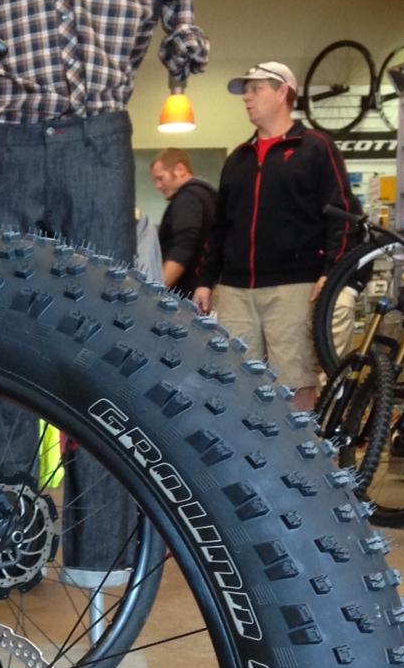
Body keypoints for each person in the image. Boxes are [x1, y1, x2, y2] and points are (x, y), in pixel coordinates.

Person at [193, 61, 357, 411]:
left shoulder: (315, 147)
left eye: (256, 89)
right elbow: (221, 225)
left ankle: (296, 463)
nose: (247, 98)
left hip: (294, 286)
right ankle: (248, 462)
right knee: (237, 382)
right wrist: (205, 280)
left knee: (294, 380)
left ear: (283, 92)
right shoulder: (239, 158)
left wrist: (333, 271)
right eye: (245, 91)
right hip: (236, 290)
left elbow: (341, 212)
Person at [151, 147, 216, 296]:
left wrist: (155, 291)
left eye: (160, 178)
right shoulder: (206, 196)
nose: (158, 186)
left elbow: (183, 247)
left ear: (180, 169)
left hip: (186, 296)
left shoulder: (187, 198)